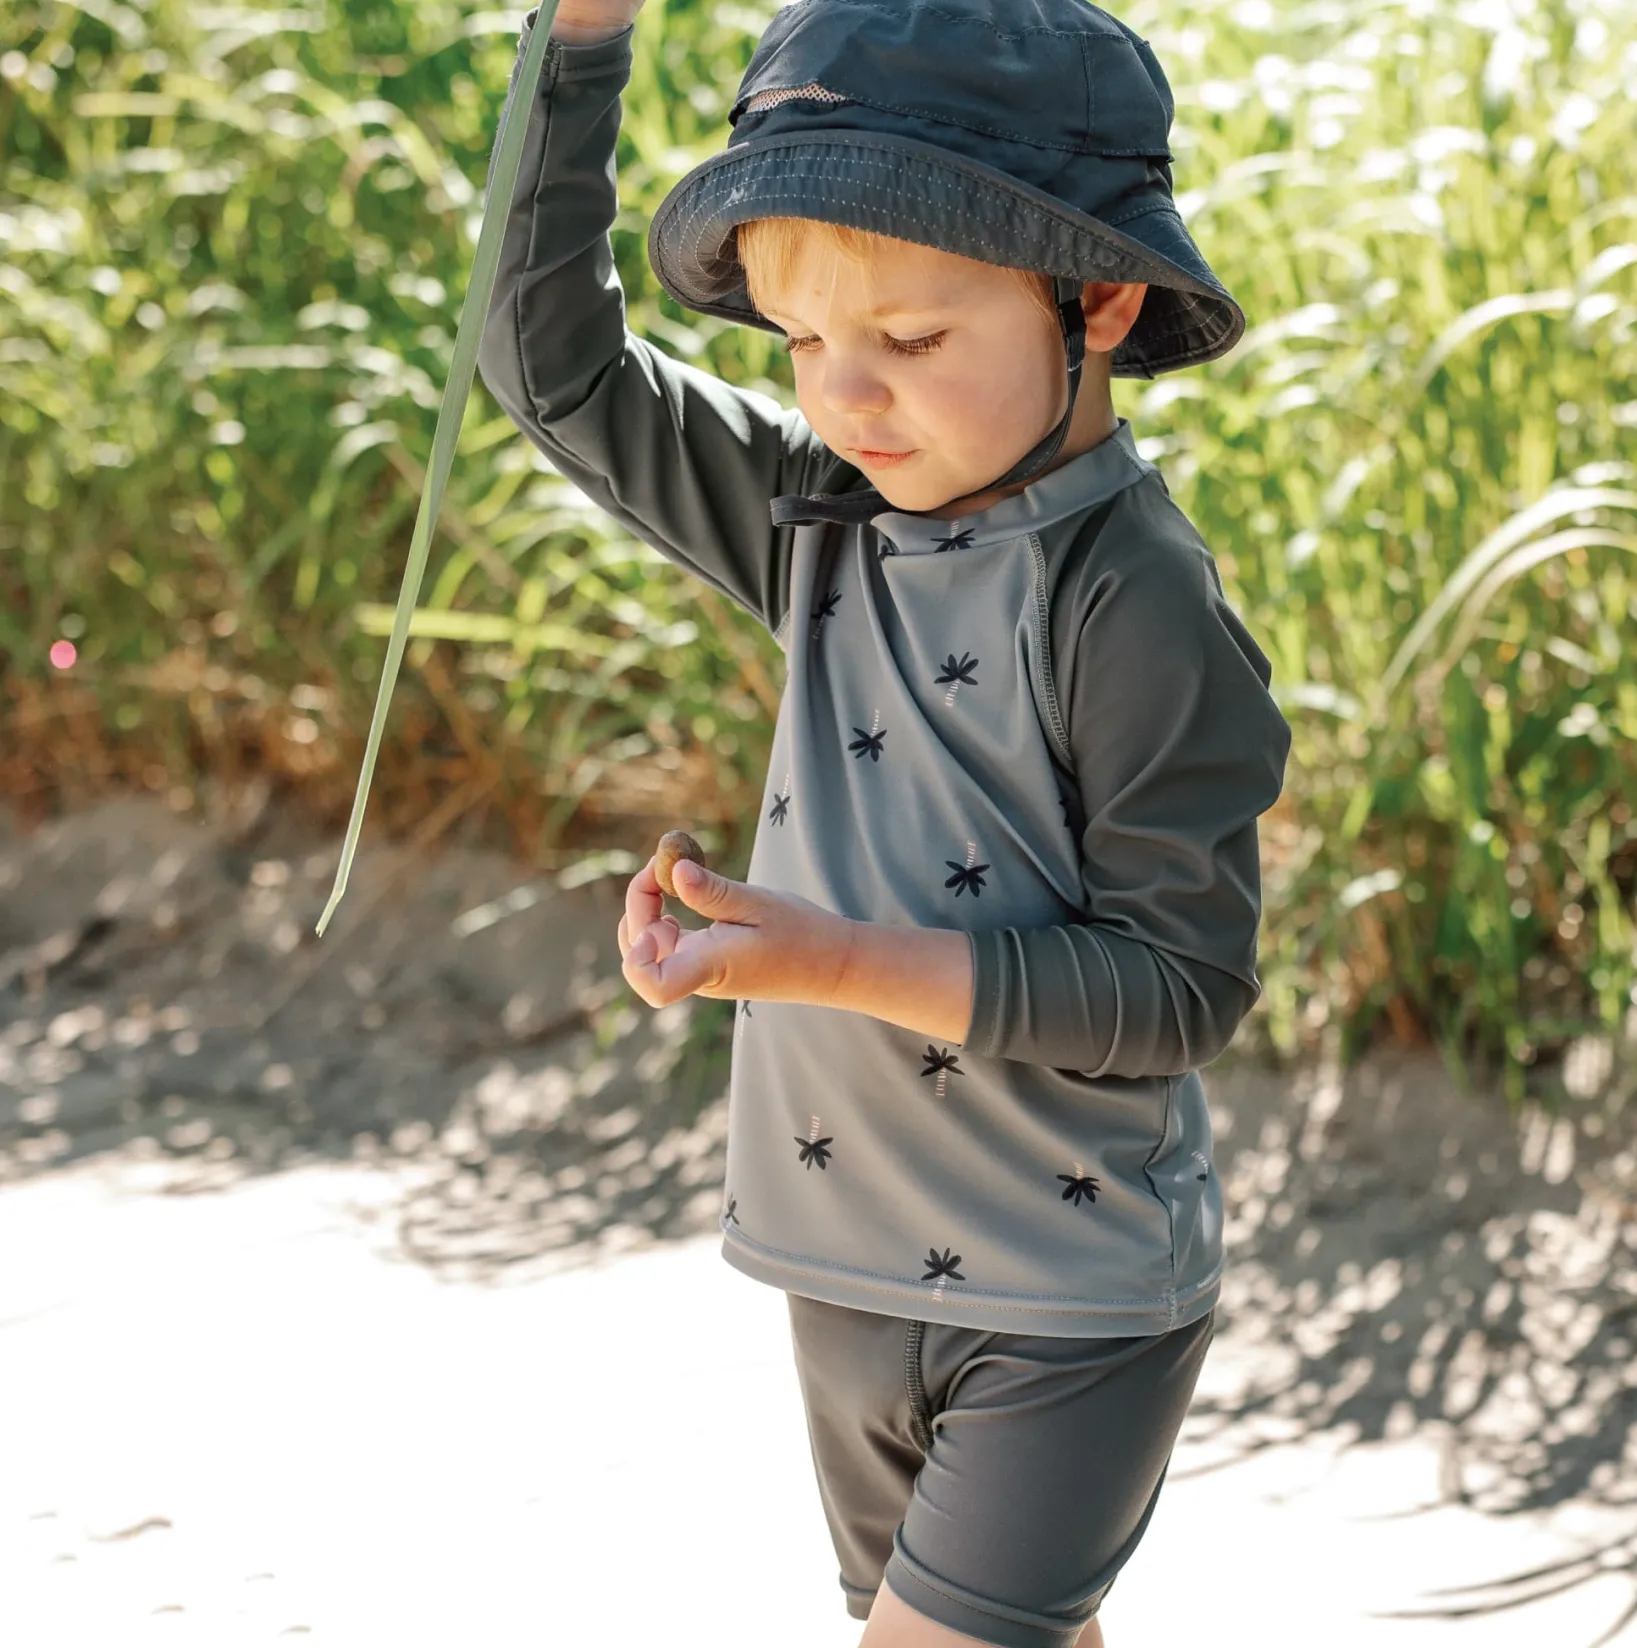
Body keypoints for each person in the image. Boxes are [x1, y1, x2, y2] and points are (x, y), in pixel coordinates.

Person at [477, 3, 1292, 1643]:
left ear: (1099, 299)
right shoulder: (822, 523)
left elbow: (1179, 990)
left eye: (912, 339)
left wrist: (826, 959)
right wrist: (580, 45)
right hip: (842, 1272)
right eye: (798, 340)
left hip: (1066, 1304)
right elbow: (550, 367)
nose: (847, 397)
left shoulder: (1133, 597)